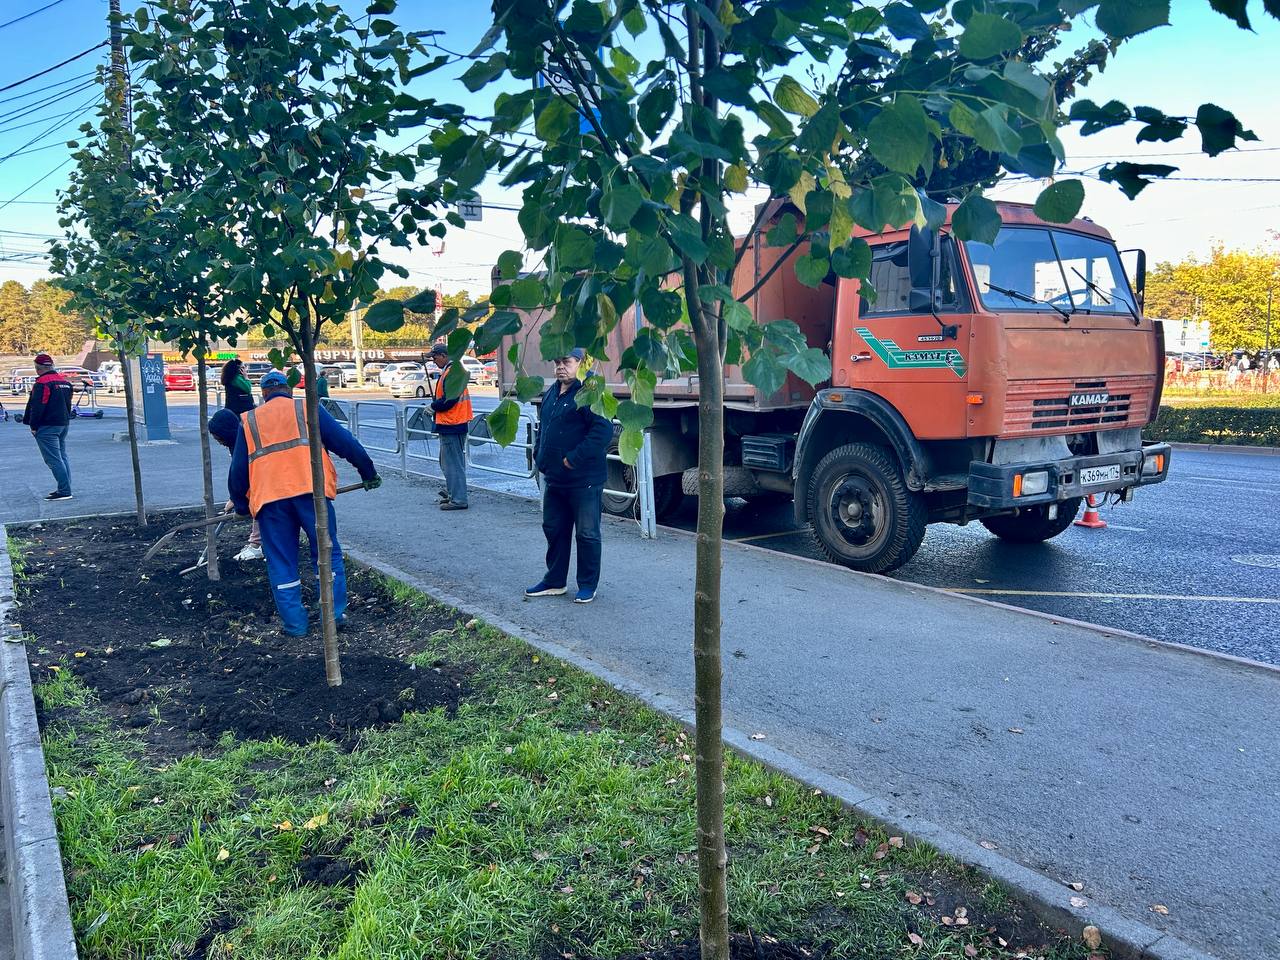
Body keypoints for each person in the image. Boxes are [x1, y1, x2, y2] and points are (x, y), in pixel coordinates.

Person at [228, 370, 381, 636]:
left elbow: (238, 471)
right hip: (312, 494)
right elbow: (345, 443)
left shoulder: (250, 420)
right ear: (289, 389)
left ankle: (296, 625)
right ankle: (331, 616)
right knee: (326, 553)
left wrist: (242, 505)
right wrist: (367, 472)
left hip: (270, 501)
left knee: (281, 560)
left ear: (263, 394)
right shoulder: (307, 407)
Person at [525, 348, 612, 604]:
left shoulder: (590, 392)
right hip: (554, 479)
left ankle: (587, 585)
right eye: (557, 361)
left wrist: (573, 458)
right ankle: (554, 581)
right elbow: (545, 426)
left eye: (566, 362)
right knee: (554, 529)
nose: (560, 366)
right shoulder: (553, 391)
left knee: (586, 534)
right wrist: (539, 455)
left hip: (583, 480)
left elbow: (602, 431)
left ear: (580, 363)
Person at [208, 408, 264, 561]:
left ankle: (256, 546)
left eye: (218, 437)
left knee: (259, 505)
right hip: (259, 483)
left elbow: (241, 473)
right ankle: (258, 544)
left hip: (264, 483)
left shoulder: (244, 443)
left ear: (225, 432)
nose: (218, 441)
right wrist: (234, 499)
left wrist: (239, 503)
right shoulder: (236, 442)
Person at [24, 353, 74, 502]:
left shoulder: (42, 384)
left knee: (53, 459)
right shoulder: (64, 382)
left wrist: (33, 425)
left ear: (37, 368)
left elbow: (38, 406)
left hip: (47, 426)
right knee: (62, 457)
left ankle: (64, 491)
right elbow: (68, 404)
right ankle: (65, 487)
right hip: (63, 424)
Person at [429, 343, 472, 511]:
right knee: (448, 462)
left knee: (452, 464)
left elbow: (450, 399)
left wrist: (434, 406)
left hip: (452, 423)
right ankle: (453, 492)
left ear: (444, 355)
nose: (433, 360)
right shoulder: (453, 371)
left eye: (435, 357)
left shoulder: (452, 372)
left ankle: (458, 499)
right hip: (455, 422)